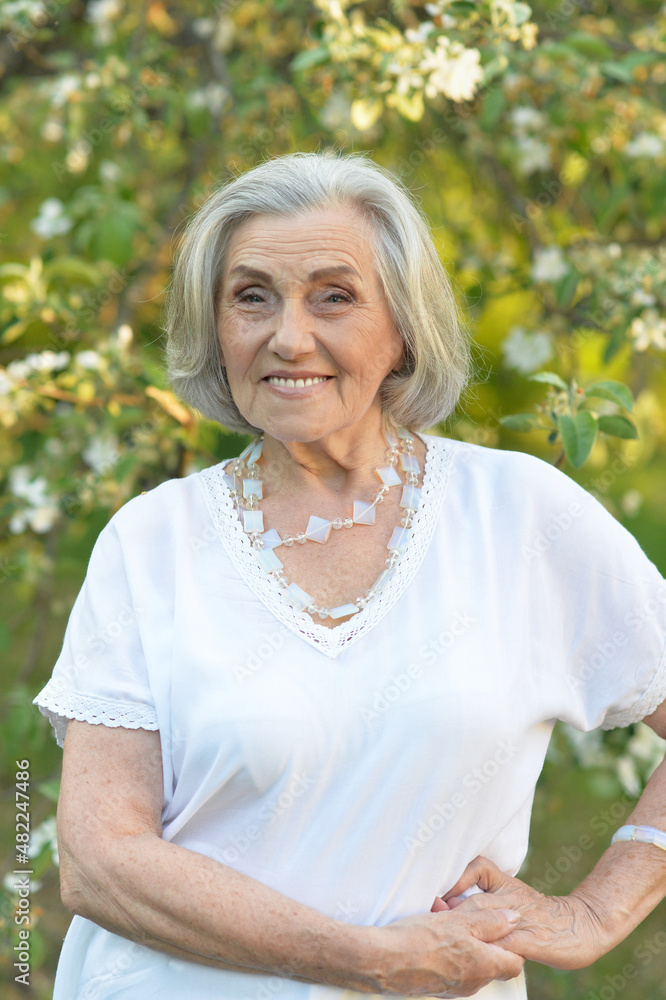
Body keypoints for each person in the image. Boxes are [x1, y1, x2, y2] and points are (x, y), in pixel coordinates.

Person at [33, 150, 666, 1000]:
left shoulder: (520, 516)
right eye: (251, 296)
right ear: (215, 328)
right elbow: (98, 861)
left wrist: (600, 908)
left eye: (334, 295)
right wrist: (366, 960)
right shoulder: (151, 542)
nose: (289, 336)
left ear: (403, 327)